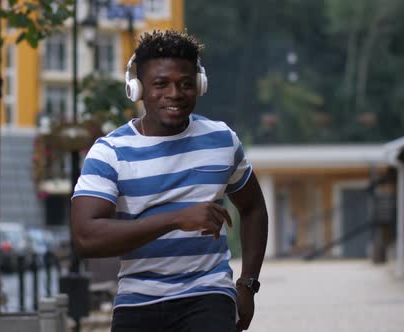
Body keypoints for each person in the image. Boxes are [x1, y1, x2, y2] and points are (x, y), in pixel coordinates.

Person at [71, 30, 268, 332]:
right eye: (160, 84)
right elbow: (85, 237)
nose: (175, 94)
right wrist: (175, 219)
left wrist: (248, 285)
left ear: (200, 86)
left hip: (208, 294)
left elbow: (253, 208)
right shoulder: (110, 152)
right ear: (137, 89)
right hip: (137, 300)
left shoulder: (221, 140)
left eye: (186, 84)